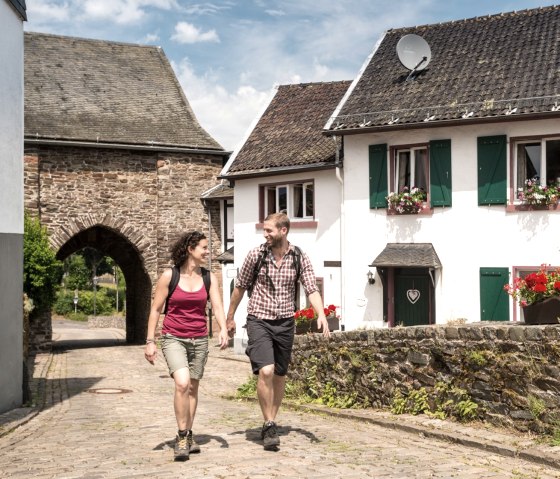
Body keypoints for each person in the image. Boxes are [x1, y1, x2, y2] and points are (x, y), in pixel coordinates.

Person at [226, 212, 330, 451]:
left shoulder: (298, 256)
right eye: (264, 231)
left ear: (283, 231)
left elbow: (311, 288)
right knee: (266, 370)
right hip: (259, 319)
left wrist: (321, 314)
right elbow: (240, 288)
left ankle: (270, 419)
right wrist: (230, 317)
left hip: (285, 322)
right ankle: (268, 422)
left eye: (269, 230)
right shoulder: (256, 254)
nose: (265, 235)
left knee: (280, 374)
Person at [145, 231, 228, 461]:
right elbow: (155, 310)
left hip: (199, 339)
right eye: (203, 247)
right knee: (182, 384)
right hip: (173, 337)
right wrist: (150, 341)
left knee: (192, 388)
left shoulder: (209, 278)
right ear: (191, 249)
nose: (207, 251)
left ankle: (188, 434)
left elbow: (218, 307)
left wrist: (222, 328)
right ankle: (182, 436)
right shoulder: (169, 276)